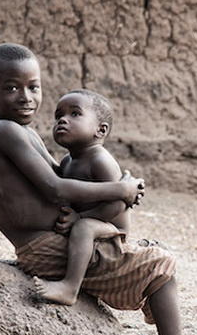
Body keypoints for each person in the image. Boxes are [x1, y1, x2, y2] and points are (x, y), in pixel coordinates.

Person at [0, 43, 197, 335]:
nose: (25, 97)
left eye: (33, 87)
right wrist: (121, 188)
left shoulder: (24, 132)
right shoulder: (4, 132)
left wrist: (97, 203)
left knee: (147, 255)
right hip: (46, 251)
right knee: (160, 266)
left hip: (54, 241)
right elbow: (55, 185)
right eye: (11, 87)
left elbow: (57, 188)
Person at [31, 89, 132, 308]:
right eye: (58, 116)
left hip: (112, 230)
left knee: (84, 228)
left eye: (75, 114)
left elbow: (116, 204)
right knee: (81, 227)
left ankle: (70, 287)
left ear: (100, 130)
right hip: (92, 224)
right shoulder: (68, 161)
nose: (62, 120)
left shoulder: (100, 160)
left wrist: (80, 217)